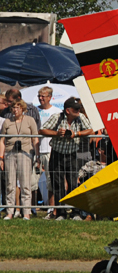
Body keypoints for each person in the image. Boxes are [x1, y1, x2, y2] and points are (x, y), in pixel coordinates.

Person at [39, 97, 93, 220]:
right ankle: (60, 213)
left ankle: (76, 213)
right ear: (68, 110)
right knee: (57, 184)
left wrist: (76, 134)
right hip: (57, 154)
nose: (78, 110)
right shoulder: (57, 117)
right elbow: (42, 130)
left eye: (79, 108)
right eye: (76, 109)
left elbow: (91, 131)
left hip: (73, 154)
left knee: (74, 183)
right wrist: (57, 134)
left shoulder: (81, 117)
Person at [0, 100, 39, 219]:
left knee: (25, 183)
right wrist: (1, 157)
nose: (15, 110)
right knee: (10, 184)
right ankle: (10, 211)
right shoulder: (7, 122)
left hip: (25, 153)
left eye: (18, 107)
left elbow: (35, 139)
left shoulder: (30, 120)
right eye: (13, 108)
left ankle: (26, 212)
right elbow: (2, 141)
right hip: (10, 153)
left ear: (23, 109)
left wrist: (37, 156)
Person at [35, 86, 61, 216]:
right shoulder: (35, 111)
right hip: (36, 149)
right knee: (32, 181)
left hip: (51, 149)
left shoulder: (57, 112)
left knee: (51, 180)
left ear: (50, 97)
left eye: (43, 96)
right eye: (39, 96)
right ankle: (30, 209)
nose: (41, 99)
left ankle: (52, 208)